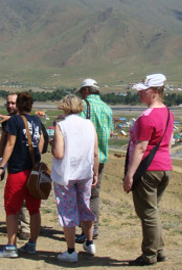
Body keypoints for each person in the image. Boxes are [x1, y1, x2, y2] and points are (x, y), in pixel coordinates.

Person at [124, 74, 174, 266]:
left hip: (148, 169)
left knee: (148, 214)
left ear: (154, 92)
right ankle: (158, 250)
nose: (139, 93)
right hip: (164, 167)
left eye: (143, 90)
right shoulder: (168, 113)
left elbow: (141, 148)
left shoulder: (147, 118)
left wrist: (130, 175)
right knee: (153, 211)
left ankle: (149, 255)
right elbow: (167, 144)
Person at [0, 92, 45, 258]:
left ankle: (11, 246)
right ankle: (32, 244)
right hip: (34, 171)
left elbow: (10, 144)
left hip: (18, 170)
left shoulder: (15, 121)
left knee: (12, 209)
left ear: (19, 105)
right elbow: (43, 142)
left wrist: (1, 166)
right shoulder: (37, 121)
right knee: (34, 209)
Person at [50, 94, 99, 263]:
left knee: (68, 210)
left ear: (64, 106)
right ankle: (89, 242)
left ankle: (71, 251)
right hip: (85, 172)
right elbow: (95, 152)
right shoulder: (88, 124)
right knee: (85, 207)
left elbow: (59, 153)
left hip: (66, 174)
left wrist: (51, 144)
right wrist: (96, 173)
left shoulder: (61, 126)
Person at [75, 78, 113, 243]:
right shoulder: (107, 108)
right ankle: (94, 227)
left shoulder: (83, 106)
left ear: (86, 91)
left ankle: (85, 229)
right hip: (101, 156)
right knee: (94, 194)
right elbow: (110, 132)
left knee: (81, 193)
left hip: (84, 156)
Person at [0, 93, 31, 241]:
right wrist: (0, 163)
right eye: (8, 103)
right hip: (12, 164)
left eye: (13, 103)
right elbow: (3, 142)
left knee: (24, 197)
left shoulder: (26, 120)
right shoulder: (7, 122)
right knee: (15, 196)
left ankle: (26, 227)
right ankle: (17, 226)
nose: (10, 106)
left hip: (25, 164)